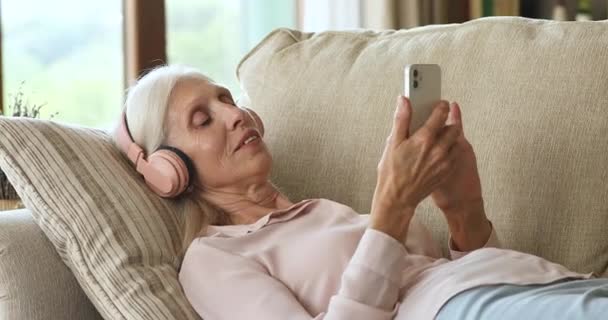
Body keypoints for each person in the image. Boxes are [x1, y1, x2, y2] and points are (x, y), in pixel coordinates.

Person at [113, 65, 607, 320]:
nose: (234, 114)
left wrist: (464, 211)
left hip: (535, 282)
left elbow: (442, 279)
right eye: (203, 119)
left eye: (226, 98)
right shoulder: (213, 260)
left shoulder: (322, 211)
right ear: (167, 170)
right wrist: (390, 210)